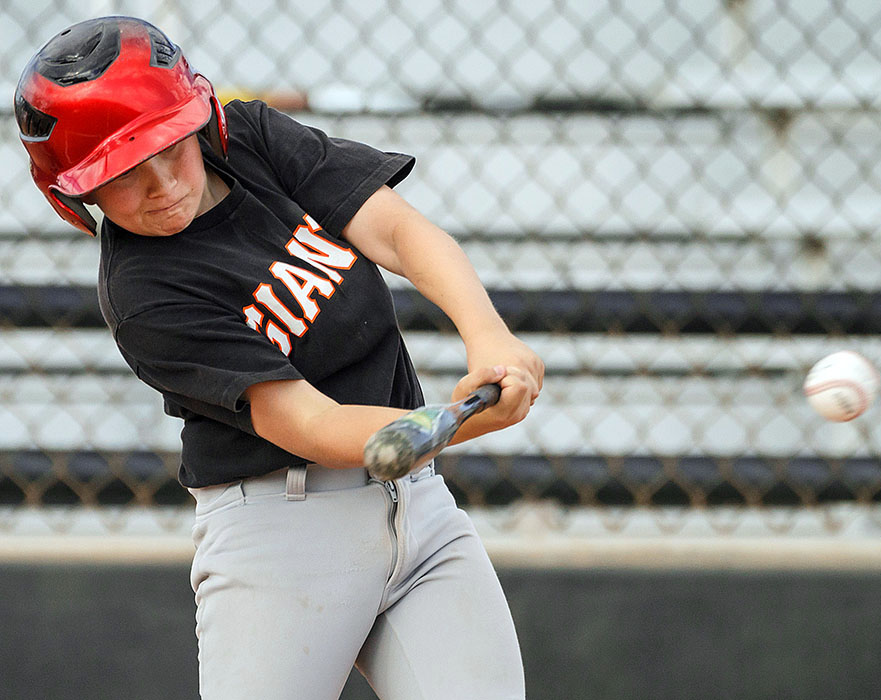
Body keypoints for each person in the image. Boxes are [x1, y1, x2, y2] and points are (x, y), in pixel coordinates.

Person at [15, 15, 544, 700]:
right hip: (282, 542)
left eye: (169, 146)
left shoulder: (253, 140)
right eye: (121, 174)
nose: (161, 183)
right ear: (75, 195)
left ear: (198, 119)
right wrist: (467, 420)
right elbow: (314, 427)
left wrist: (489, 337)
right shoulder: (144, 294)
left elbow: (397, 230)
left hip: (417, 509)